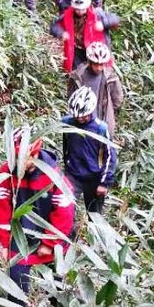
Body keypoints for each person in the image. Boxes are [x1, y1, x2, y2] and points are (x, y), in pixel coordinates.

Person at [0, 129, 76, 307]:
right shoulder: (7, 173)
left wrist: (50, 243)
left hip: (53, 237)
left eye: (23, 158)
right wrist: (3, 241)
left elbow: (65, 212)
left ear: (34, 153)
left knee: (57, 284)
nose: (19, 163)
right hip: (21, 238)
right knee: (15, 280)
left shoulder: (54, 175)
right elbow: (2, 207)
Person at [62, 86, 117, 215]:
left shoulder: (100, 128)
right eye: (77, 116)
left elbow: (110, 156)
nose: (80, 119)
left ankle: (95, 235)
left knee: (94, 215)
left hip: (94, 177)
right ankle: (70, 235)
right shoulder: (67, 123)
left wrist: (104, 182)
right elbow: (66, 144)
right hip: (73, 174)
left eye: (83, 116)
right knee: (66, 209)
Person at [50, 0, 121, 73]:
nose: (79, 11)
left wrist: (103, 23)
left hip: (95, 51)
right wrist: (61, 33)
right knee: (78, 75)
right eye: (77, 9)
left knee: (97, 74)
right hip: (77, 51)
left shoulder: (97, 14)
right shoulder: (67, 15)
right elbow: (54, 26)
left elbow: (115, 19)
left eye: (82, 9)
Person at [68, 40, 125, 137]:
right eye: (95, 64)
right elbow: (71, 97)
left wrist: (109, 110)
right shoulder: (77, 76)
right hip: (82, 122)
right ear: (89, 62)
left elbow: (117, 99)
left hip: (104, 120)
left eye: (101, 64)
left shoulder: (110, 77)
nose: (98, 68)